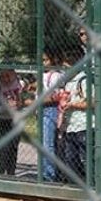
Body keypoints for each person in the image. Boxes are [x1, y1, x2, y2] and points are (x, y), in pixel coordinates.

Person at [59, 43, 90, 186]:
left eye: (67, 63)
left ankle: (90, 185)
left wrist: (71, 104)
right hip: (70, 125)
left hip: (83, 124)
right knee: (71, 159)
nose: (64, 66)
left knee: (86, 159)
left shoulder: (84, 78)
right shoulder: (68, 80)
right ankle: (75, 188)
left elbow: (90, 102)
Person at [37, 47, 65, 181]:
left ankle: (49, 174)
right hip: (42, 109)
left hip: (50, 109)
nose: (43, 63)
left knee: (48, 144)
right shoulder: (43, 75)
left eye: (45, 60)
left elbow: (55, 96)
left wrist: (38, 101)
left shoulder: (55, 75)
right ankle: (45, 171)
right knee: (43, 144)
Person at [0, 68, 24, 176]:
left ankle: (11, 173)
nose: (5, 79)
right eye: (2, 76)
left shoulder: (18, 84)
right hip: (3, 119)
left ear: (13, 74)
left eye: (8, 76)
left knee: (13, 147)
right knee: (4, 147)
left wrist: (21, 103)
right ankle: (0, 172)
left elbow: (24, 99)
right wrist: (6, 107)